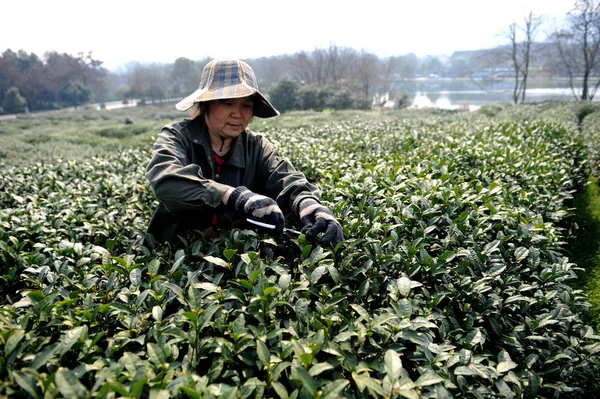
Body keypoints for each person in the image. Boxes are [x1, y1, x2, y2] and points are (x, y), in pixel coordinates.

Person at [145, 59, 344, 247]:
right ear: (206, 104)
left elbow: (286, 178)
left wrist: (310, 206)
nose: (238, 114)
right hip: (175, 254)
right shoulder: (177, 137)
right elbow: (165, 179)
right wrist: (232, 195)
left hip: (236, 256)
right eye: (228, 103)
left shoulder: (256, 146)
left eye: (246, 105)